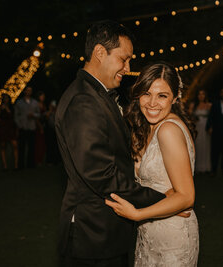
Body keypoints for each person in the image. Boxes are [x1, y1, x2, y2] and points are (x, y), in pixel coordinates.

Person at [55, 20, 168, 266]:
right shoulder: (83, 101)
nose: (128, 67)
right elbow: (102, 175)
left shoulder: (96, 95)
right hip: (93, 237)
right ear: (99, 52)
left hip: (105, 233)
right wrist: (162, 201)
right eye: (123, 59)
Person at [105, 62, 199, 266]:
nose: (152, 103)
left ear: (175, 97)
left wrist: (137, 214)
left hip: (172, 238)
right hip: (151, 232)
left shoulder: (168, 130)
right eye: (146, 94)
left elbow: (186, 196)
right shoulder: (149, 127)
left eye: (162, 95)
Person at [14, 86, 40, 169]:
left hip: (32, 127)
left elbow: (38, 114)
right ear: (24, 91)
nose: (29, 92)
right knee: (21, 147)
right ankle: (21, 165)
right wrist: (19, 125)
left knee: (31, 147)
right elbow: (16, 116)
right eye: (27, 90)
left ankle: (30, 164)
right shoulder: (19, 103)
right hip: (23, 127)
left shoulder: (35, 102)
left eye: (30, 90)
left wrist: (34, 115)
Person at [188, 89, 212, 174]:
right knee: (197, 146)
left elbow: (212, 118)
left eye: (203, 94)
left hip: (206, 128)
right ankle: (196, 167)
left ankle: (205, 167)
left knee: (206, 146)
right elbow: (189, 116)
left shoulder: (209, 105)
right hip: (197, 127)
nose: (201, 96)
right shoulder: (193, 105)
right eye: (199, 94)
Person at [0, 93, 18, 170]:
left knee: (14, 144)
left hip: (10, 126)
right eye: (4, 99)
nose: (5, 100)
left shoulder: (12, 107)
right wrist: (0, 109)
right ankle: (5, 165)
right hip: (3, 127)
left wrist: (7, 109)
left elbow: (13, 115)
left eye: (7, 98)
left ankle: (16, 165)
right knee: (3, 146)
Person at [44, 100, 60, 165]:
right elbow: (46, 117)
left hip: (55, 130)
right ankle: (49, 161)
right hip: (49, 131)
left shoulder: (56, 112)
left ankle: (56, 160)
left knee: (56, 146)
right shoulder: (47, 112)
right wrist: (50, 110)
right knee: (49, 146)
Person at [34, 91, 47, 166]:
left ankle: (41, 159)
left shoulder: (43, 104)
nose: (43, 97)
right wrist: (40, 127)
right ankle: (37, 160)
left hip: (43, 125)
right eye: (42, 96)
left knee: (42, 144)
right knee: (38, 143)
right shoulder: (37, 104)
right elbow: (37, 118)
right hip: (38, 126)